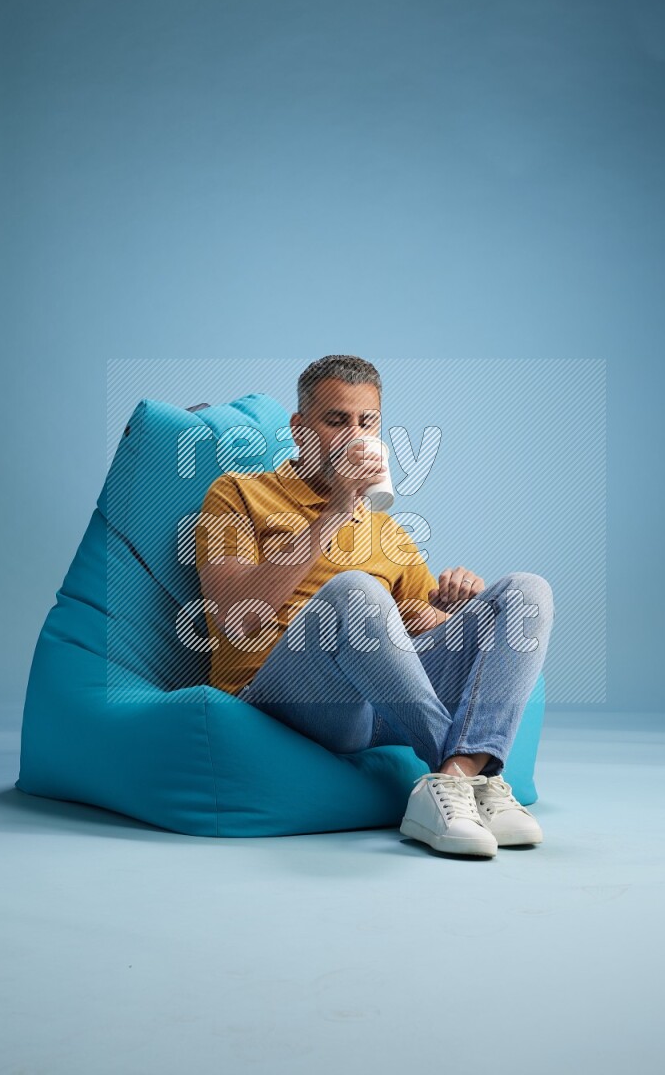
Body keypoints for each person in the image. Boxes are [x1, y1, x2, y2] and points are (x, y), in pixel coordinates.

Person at [195, 355, 555, 858]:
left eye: (367, 422)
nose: (353, 434)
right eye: (336, 420)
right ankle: (466, 775)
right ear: (301, 429)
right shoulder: (237, 493)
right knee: (355, 590)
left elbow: (417, 636)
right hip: (275, 695)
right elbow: (238, 615)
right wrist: (336, 510)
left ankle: (456, 779)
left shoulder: (389, 531)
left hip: (374, 708)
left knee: (524, 591)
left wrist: (449, 609)